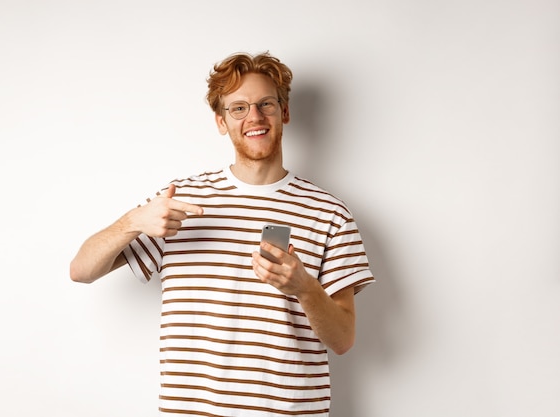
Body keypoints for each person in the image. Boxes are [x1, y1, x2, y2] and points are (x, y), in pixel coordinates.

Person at [70, 51, 374, 416]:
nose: (255, 117)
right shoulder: (179, 201)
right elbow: (81, 271)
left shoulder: (329, 213)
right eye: (239, 108)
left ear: (285, 112)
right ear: (221, 121)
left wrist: (304, 288)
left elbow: (343, 339)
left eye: (266, 104)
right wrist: (134, 221)